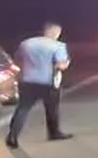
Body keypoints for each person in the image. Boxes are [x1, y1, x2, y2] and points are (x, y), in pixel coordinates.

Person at [6, 21, 73, 149]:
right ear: (56, 33)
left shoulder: (26, 43)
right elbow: (60, 65)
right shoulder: (58, 46)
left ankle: (12, 136)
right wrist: (67, 63)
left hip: (27, 80)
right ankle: (54, 133)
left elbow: (17, 59)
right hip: (48, 82)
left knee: (22, 109)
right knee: (52, 109)